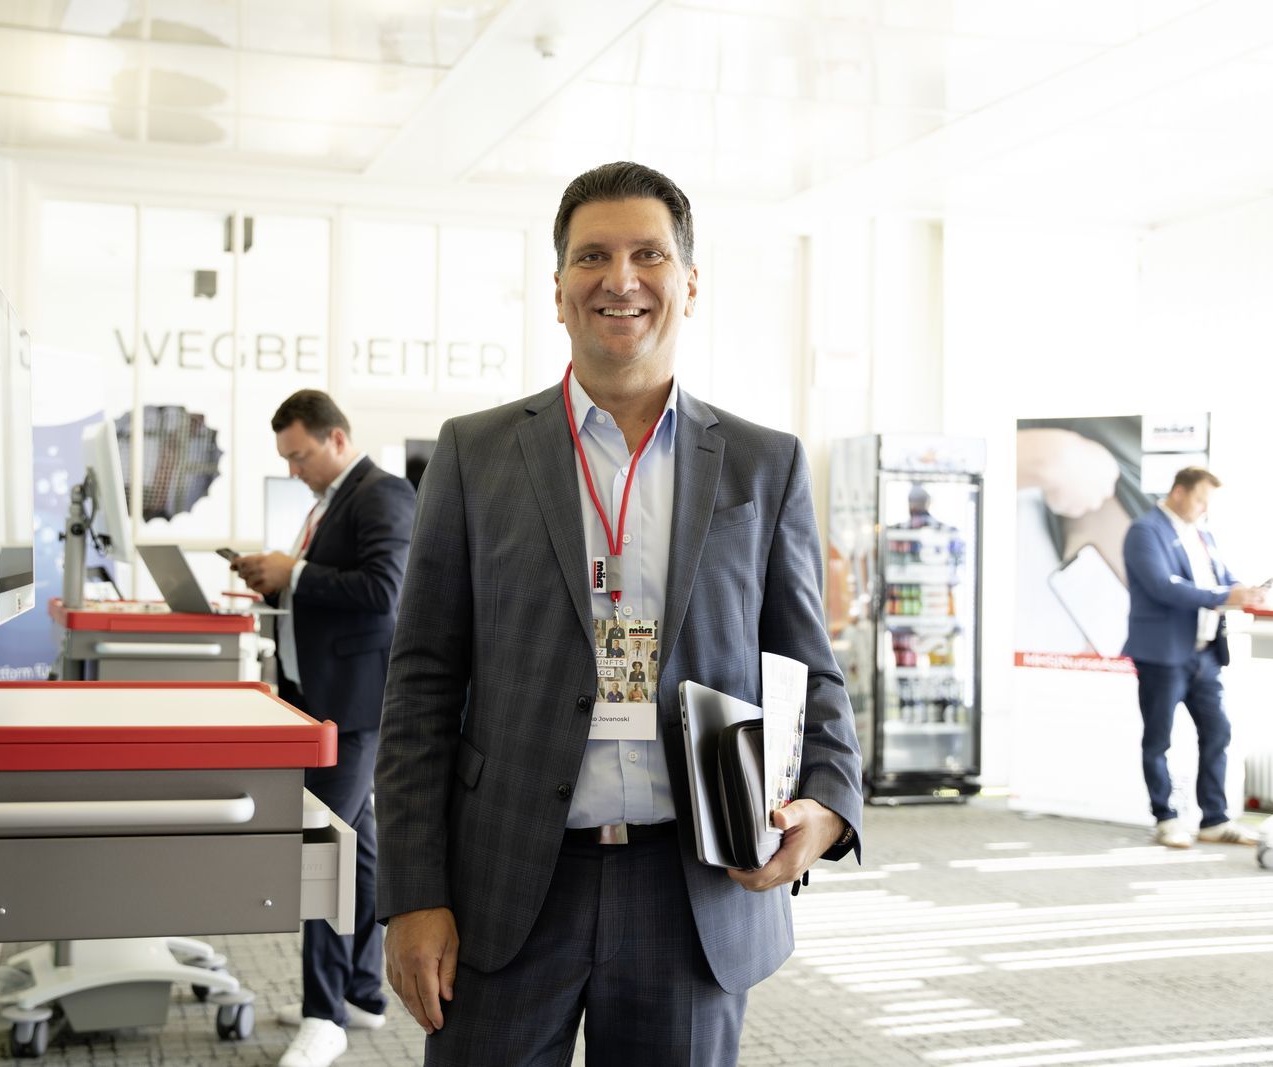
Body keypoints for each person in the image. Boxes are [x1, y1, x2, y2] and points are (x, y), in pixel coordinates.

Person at [374, 162, 862, 1067]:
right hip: (507, 880)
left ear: (690, 283)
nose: (620, 279)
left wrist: (830, 805)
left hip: (692, 886)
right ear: (558, 288)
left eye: (650, 254)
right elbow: (421, 686)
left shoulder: (764, 463)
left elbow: (808, 663)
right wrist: (412, 890)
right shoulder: (475, 453)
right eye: (592, 256)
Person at [232, 389, 416, 1067]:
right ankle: (360, 992)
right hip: (318, 698)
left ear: (337, 439)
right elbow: (333, 586)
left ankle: (323, 1014)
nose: (293, 469)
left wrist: (297, 572)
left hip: (355, 706)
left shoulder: (381, 493)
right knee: (354, 848)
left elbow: (384, 589)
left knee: (322, 851)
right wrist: (276, 580)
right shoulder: (330, 500)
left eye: (300, 454)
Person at [1122, 466, 1264, 850]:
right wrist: (1223, 596)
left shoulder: (1203, 534)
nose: (1204, 508)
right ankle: (1165, 818)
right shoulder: (1144, 531)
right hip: (1163, 656)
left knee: (1218, 732)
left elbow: (1223, 579)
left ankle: (1214, 819)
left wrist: (1245, 591)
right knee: (1159, 740)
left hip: (1206, 655)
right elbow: (1163, 587)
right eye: (1201, 499)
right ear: (1179, 492)